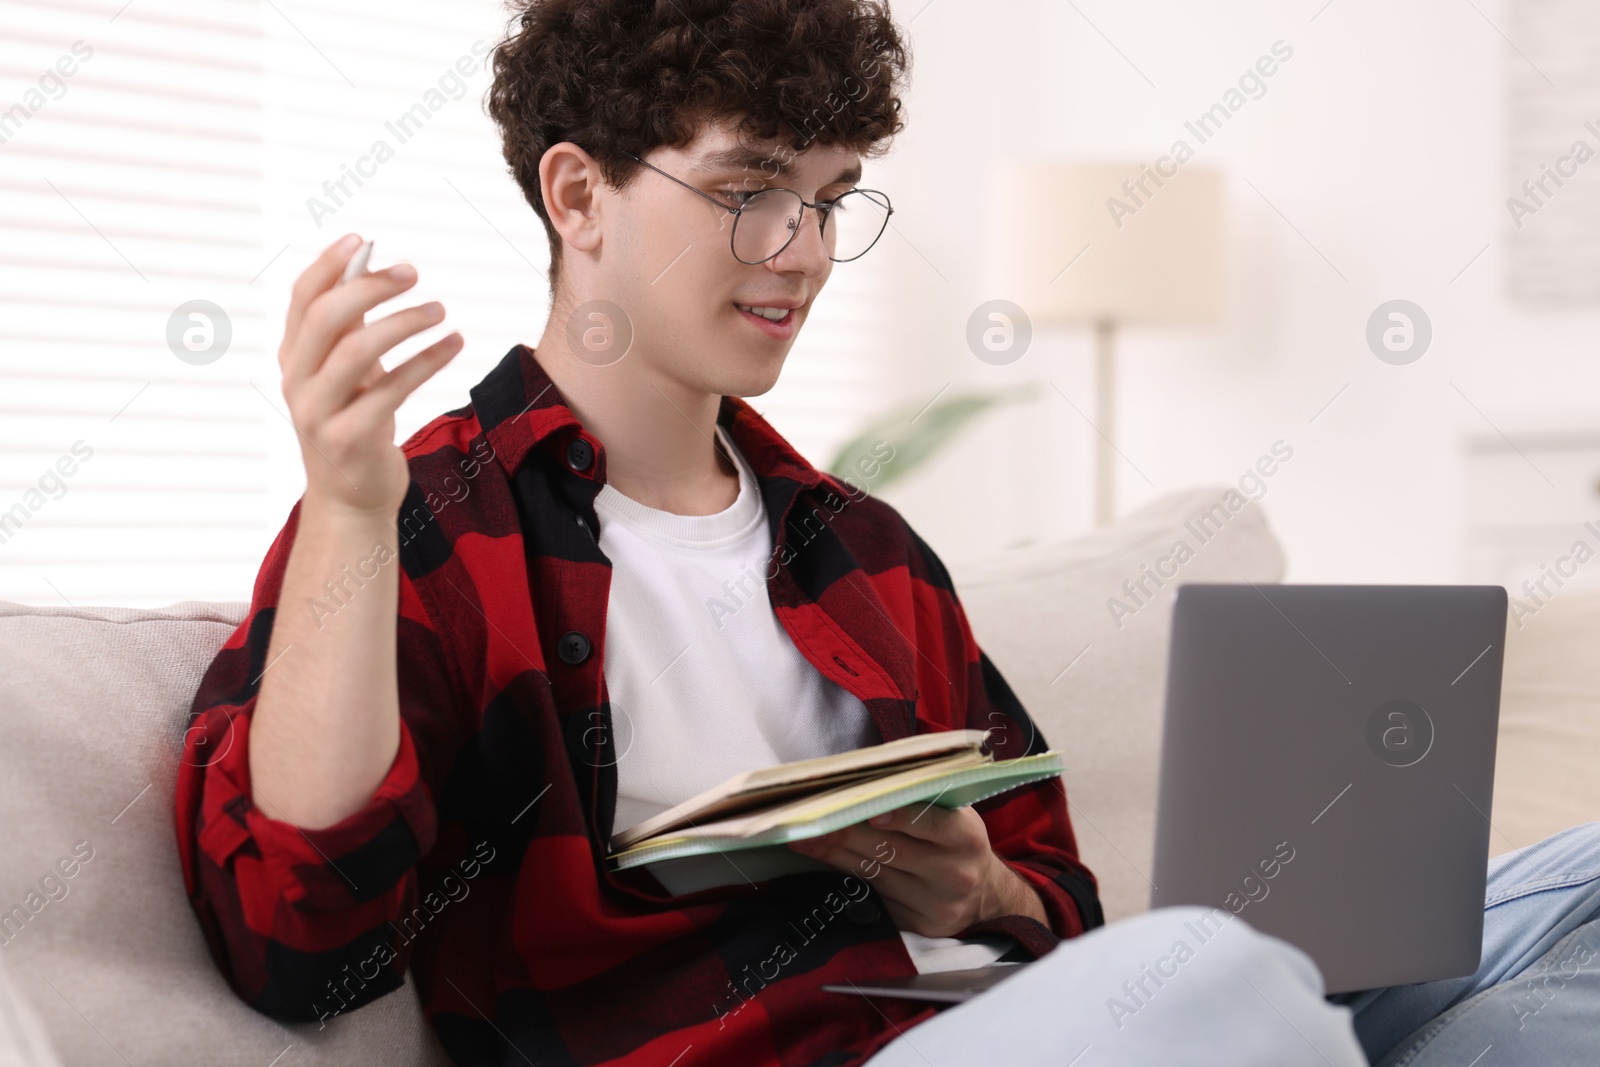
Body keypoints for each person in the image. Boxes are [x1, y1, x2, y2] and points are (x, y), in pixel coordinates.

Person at [174, 2, 1600, 1065]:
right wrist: (353, 512)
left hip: (1009, 1028)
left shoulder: (863, 550)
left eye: (833, 199)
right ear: (577, 194)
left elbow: (1060, 902)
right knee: (1224, 977)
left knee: (1570, 938)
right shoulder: (423, 523)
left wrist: (978, 885)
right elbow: (299, 948)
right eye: (750, 190)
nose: (801, 250)